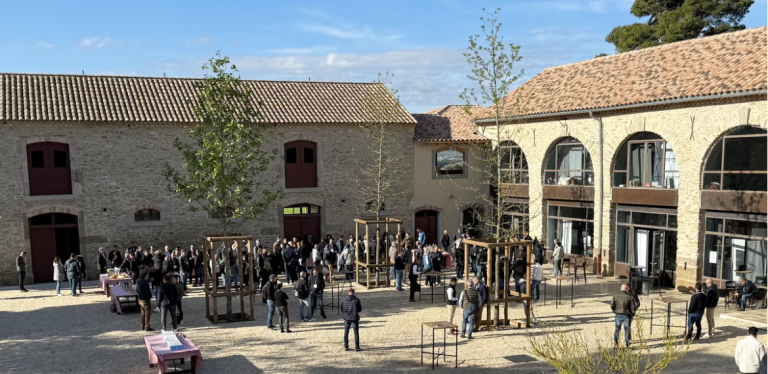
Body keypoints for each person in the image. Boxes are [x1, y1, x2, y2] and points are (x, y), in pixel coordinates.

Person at [610, 283, 639, 347]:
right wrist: (633, 314)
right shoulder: (630, 297)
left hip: (618, 314)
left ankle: (616, 344)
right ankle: (627, 344)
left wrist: (614, 311)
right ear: (627, 289)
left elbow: (612, 305)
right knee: (627, 330)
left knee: (617, 329)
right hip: (627, 315)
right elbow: (633, 308)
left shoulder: (615, 295)